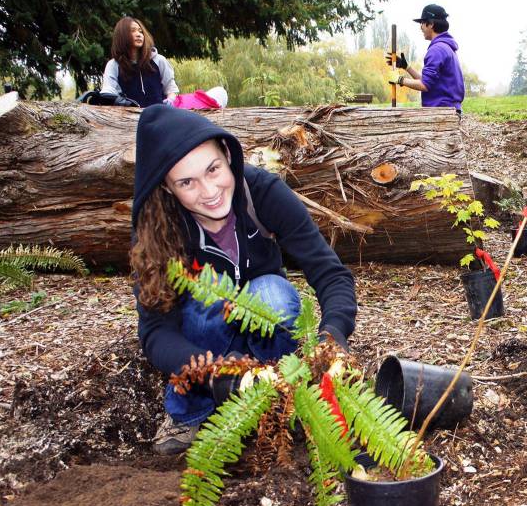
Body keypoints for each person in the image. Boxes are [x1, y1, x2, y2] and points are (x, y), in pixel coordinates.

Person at [131, 104, 357, 454]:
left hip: (268, 332)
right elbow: (155, 331)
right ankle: (192, 414)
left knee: (272, 295)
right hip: (204, 340)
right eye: (187, 182)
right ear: (167, 187)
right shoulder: (158, 228)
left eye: (213, 169)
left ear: (228, 154)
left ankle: (283, 400)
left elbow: (330, 272)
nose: (209, 191)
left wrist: (333, 338)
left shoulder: (261, 193)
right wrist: (218, 375)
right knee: (210, 297)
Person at [388, 4, 465, 112]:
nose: (421, 27)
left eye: (422, 23)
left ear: (431, 24)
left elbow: (424, 85)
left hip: (442, 113)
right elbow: (428, 81)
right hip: (449, 110)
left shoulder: (437, 49)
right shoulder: (446, 47)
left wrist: (399, 79)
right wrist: (407, 67)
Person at [100, 16, 178, 108]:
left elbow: (170, 88)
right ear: (122, 35)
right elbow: (109, 92)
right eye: (133, 31)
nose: (139, 34)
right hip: (127, 118)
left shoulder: (159, 60)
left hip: (158, 117)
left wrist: (170, 100)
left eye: (140, 31)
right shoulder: (113, 65)